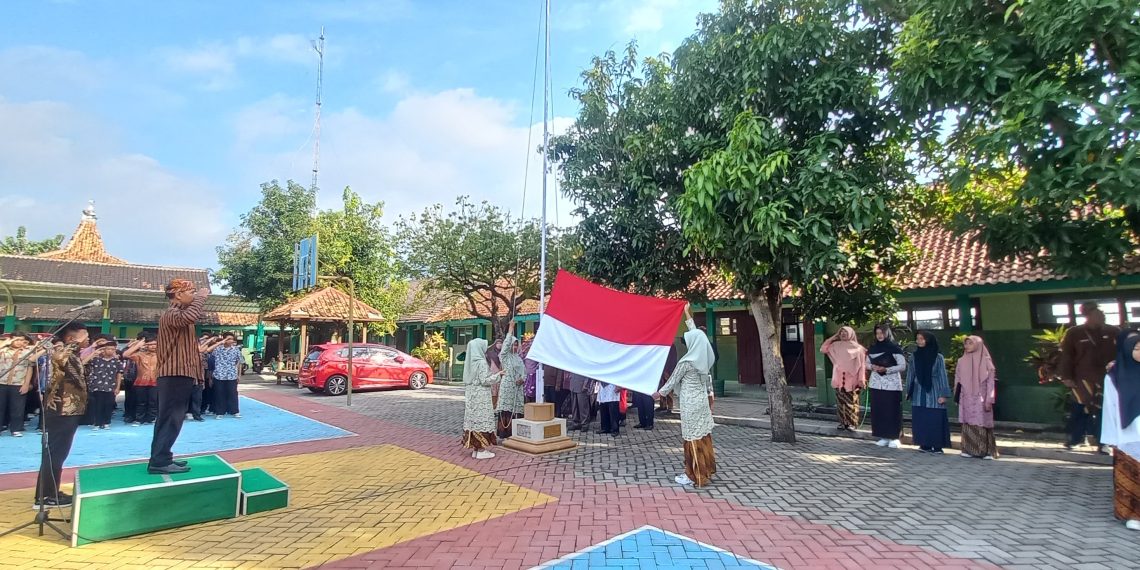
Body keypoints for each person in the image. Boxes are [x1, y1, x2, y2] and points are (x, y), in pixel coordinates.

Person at [148, 279, 208, 475]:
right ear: (179, 294)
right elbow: (190, 316)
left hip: (180, 374)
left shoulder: (180, 315)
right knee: (170, 418)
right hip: (174, 374)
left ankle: (163, 457)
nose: (194, 295)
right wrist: (201, 298)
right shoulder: (172, 314)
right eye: (191, 292)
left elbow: (192, 318)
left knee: (172, 418)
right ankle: (159, 461)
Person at [654, 320, 717, 487]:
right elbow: (698, 336)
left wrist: (659, 393)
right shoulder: (704, 360)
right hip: (702, 403)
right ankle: (706, 470)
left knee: (691, 439)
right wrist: (688, 316)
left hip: (690, 405)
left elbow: (673, 380)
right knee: (702, 436)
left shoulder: (686, 362)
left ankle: (693, 475)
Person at [36, 321, 89, 508]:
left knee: (57, 453)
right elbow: (61, 359)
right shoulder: (61, 351)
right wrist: (74, 344)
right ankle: (47, 497)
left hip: (69, 410)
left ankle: (48, 493)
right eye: (84, 335)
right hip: (62, 410)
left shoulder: (73, 354)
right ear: (70, 338)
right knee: (55, 453)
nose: (88, 339)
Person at [1059, 302, 1121, 451]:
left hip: (1108, 378)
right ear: (1088, 316)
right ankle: (1074, 439)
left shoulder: (1114, 331)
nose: (1102, 317)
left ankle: (1103, 443)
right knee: (1079, 409)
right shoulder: (1074, 333)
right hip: (1083, 379)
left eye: (1103, 314)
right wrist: (1066, 376)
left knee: (1104, 411)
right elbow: (1067, 356)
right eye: (1098, 314)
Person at [1101, 329, 1140, 531]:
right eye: (1137, 349)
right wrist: (1111, 438)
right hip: (1128, 434)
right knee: (1132, 478)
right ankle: (1133, 515)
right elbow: (1110, 408)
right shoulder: (1114, 377)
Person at [906, 331, 952, 453]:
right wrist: (908, 391)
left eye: (922, 339)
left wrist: (944, 394)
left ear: (929, 340)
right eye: (917, 339)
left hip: (935, 391)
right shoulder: (914, 356)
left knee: (935, 418)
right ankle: (924, 444)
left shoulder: (938, 357)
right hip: (918, 391)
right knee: (921, 418)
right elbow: (911, 374)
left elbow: (942, 375)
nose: (919, 341)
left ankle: (937, 446)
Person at [956, 335, 999, 459]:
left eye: (970, 343)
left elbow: (990, 382)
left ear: (978, 344)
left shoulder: (986, 361)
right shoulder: (961, 361)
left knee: (982, 422)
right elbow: (957, 380)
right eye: (966, 343)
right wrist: (957, 397)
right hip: (966, 397)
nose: (967, 346)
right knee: (967, 422)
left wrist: (989, 399)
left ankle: (987, 451)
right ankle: (968, 449)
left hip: (981, 397)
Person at [867, 324, 906, 448]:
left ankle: (895, 437)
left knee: (892, 410)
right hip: (876, 384)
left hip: (892, 385)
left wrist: (887, 369)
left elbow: (902, 366)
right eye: (877, 333)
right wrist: (872, 366)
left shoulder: (895, 348)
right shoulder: (873, 348)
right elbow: (866, 363)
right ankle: (883, 436)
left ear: (887, 333)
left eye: (882, 333)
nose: (880, 336)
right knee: (879, 410)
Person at [821, 326, 866, 432]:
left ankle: (852, 423)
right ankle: (842, 422)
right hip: (839, 378)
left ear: (851, 334)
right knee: (840, 403)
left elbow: (862, 366)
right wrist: (834, 337)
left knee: (851, 402)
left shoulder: (858, 348)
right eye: (841, 332)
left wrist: (861, 379)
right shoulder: (835, 345)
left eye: (845, 332)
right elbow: (823, 348)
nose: (843, 334)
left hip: (852, 379)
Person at [462, 338, 502, 459]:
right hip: (481, 397)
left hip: (471, 397)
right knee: (482, 420)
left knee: (474, 421)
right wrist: (498, 375)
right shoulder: (481, 363)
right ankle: (481, 450)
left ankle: (476, 449)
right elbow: (485, 380)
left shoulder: (471, 363)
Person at [0, 334, 37, 437]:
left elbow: (30, 367)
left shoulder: (27, 351)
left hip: (18, 382)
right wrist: (7, 342)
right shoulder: (4, 350)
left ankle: (16, 429)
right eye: (17, 339)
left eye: (21, 340)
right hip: (2, 381)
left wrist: (26, 384)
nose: (19, 342)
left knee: (17, 408)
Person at [84, 336, 122, 430]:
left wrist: (118, 387)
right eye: (108, 349)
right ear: (103, 350)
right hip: (97, 386)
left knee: (109, 404)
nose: (110, 351)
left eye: (113, 349)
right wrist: (94, 352)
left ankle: (106, 422)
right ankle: (97, 423)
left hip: (110, 386)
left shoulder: (116, 361)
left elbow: (119, 374)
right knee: (98, 405)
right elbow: (84, 362)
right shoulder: (96, 360)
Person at [123, 333, 159, 426]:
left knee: (153, 402)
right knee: (141, 402)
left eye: (155, 344)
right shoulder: (140, 355)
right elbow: (125, 354)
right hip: (141, 382)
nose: (153, 346)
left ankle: (151, 418)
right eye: (150, 344)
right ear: (146, 345)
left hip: (155, 382)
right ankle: (139, 419)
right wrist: (138, 345)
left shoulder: (161, 355)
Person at [496, 333, 526, 438]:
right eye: (513, 345)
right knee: (506, 409)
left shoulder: (518, 359)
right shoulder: (505, 357)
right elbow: (504, 348)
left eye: (517, 345)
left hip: (517, 388)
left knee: (517, 409)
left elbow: (524, 372)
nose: (515, 347)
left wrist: (522, 379)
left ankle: (516, 433)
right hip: (507, 387)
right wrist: (510, 330)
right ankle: (504, 433)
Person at [209, 333, 243, 418]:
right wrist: (221, 342)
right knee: (219, 393)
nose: (231, 341)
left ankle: (234, 411)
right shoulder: (218, 349)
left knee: (233, 393)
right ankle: (220, 412)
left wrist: (239, 375)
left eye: (232, 339)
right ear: (224, 339)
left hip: (231, 375)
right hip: (219, 375)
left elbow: (240, 362)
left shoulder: (236, 350)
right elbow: (208, 350)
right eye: (228, 339)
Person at [656, 344, 680, 415]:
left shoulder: (671, 346)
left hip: (668, 370)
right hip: (662, 369)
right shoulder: (663, 345)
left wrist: (668, 371)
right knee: (661, 387)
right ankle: (662, 405)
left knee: (669, 388)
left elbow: (672, 360)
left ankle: (670, 407)